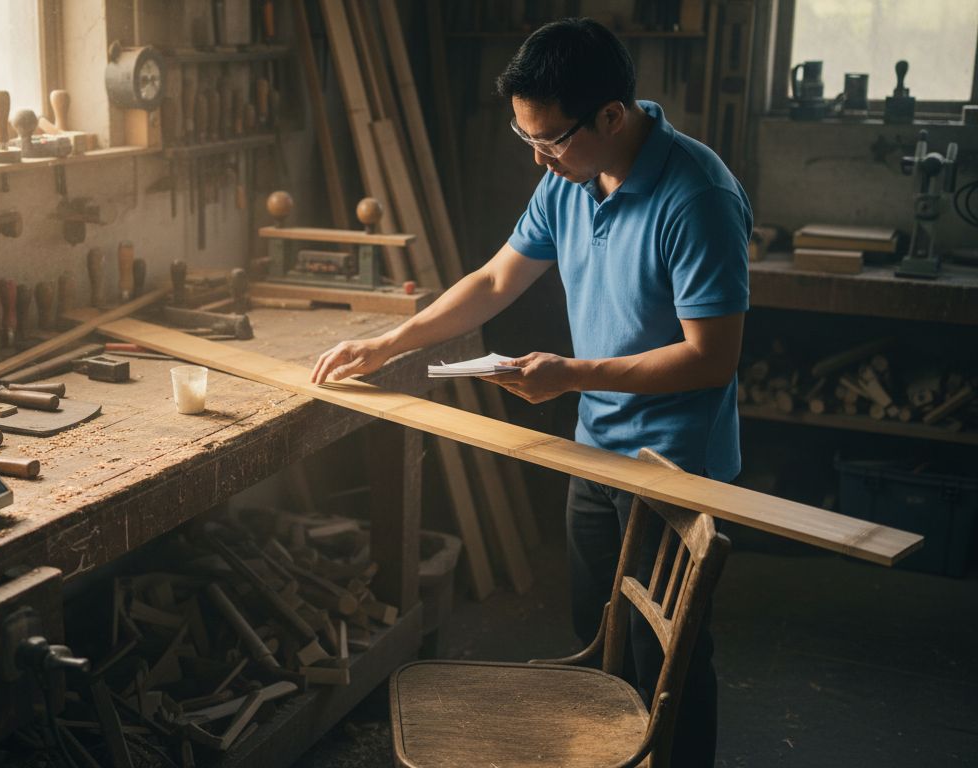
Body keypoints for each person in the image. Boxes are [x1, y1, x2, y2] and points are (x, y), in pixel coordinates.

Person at [310, 17, 749, 767]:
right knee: (598, 637)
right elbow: (492, 281)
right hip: (596, 449)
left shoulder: (697, 195)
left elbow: (711, 359)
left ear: (610, 115)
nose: (539, 159)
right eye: (527, 139)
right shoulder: (568, 181)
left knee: (666, 664)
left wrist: (572, 374)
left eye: (550, 141)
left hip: (672, 463)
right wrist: (390, 342)